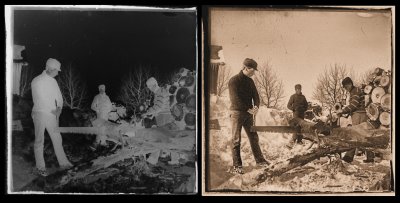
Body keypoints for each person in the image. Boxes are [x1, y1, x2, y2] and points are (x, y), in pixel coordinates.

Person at [31, 58, 73, 176]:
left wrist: (59, 108)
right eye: (57, 70)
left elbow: (59, 97)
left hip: (51, 114)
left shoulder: (53, 82)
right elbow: (40, 99)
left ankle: (64, 163)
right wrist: (52, 111)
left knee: (57, 139)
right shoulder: (36, 81)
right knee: (39, 140)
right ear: (51, 69)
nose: (58, 73)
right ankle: (40, 167)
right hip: (39, 113)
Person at [228, 58, 269, 174]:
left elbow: (256, 96)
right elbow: (235, 99)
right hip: (236, 113)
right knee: (236, 139)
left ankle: (260, 161)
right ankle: (237, 165)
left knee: (254, 137)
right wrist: (248, 109)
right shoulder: (233, 81)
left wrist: (256, 106)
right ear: (246, 68)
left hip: (248, 113)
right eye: (253, 70)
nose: (254, 73)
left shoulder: (250, 81)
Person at [336, 77, 374, 163]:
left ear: (350, 84)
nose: (346, 89)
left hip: (358, 114)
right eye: (345, 87)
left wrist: (342, 111)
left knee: (354, 135)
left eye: (346, 86)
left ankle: (349, 156)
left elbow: (354, 105)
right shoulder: (354, 91)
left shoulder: (355, 91)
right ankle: (370, 156)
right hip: (360, 114)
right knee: (364, 135)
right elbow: (354, 106)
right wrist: (345, 113)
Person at [286, 84, 309, 149]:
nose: (298, 90)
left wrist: (304, 109)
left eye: (299, 89)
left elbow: (306, 105)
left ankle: (299, 140)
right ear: (295, 90)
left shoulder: (303, 97)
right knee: (296, 126)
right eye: (297, 89)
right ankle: (293, 141)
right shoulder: (293, 96)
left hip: (302, 114)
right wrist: (293, 109)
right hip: (296, 114)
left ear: (301, 89)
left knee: (301, 127)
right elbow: (288, 105)